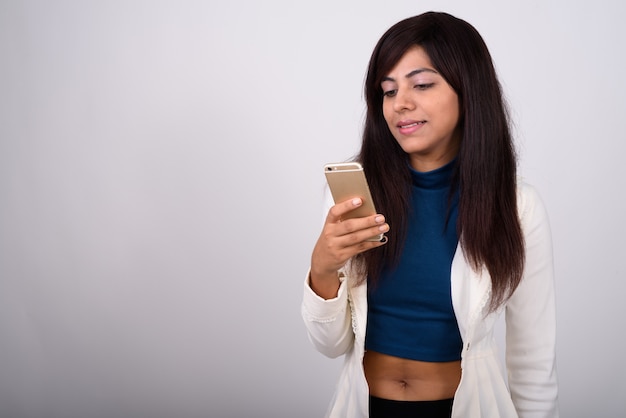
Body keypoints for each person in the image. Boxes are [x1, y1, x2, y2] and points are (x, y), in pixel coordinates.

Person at [301, 11, 558, 418]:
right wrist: (322, 270)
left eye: (421, 84)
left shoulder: (517, 206)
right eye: (387, 91)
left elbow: (533, 362)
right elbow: (330, 345)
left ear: (468, 90)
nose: (400, 103)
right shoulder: (353, 198)